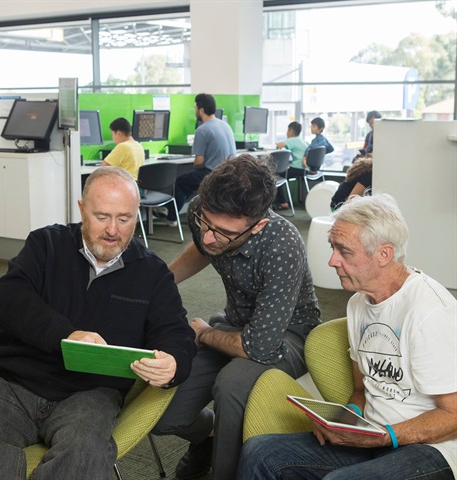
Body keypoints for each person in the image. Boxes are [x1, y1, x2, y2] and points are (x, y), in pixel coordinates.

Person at [0, 166, 197, 480]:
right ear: (82, 210)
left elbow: (175, 331)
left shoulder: (153, 273)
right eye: (102, 216)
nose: (113, 230)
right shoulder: (45, 244)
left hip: (91, 394)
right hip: (15, 384)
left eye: (125, 219)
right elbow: (11, 298)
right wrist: (67, 334)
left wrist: (174, 362)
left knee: (84, 456)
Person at [237, 193, 457, 480]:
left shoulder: (429, 312)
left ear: (384, 254)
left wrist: (382, 437)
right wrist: (343, 426)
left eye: (344, 251)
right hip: (374, 436)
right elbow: (361, 390)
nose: (332, 261)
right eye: (332, 248)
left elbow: (453, 416)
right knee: (260, 452)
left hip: (433, 449)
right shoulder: (358, 303)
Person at [152, 154, 321, 480]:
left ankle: (225, 471)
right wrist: (162, 281)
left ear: (257, 224)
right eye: (206, 224)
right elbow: (204, 248)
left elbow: (260, 347)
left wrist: (203, 334)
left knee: (231, 386)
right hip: (236, 323)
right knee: (165, 412)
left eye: (225, 232)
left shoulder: (281, 243)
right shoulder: (205, 209)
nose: (209, 236)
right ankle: (209, 439)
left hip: (290, 333)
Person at [161, 93, 236, 226]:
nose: (195, 111)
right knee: (191, 180)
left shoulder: (202, 129)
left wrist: (195, 167)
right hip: (230, 173)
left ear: (201, 110)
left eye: (195, 108)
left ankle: (172, 218)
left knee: (181, 182)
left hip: (212, 174)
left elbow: (199, 162)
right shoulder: (225, 126)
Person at [102, 117, 145, 192]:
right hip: (138, 188)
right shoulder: (138, 145)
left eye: (112, 134)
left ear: (119, 133)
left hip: (127, 189)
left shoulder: (123, 146)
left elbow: (105, 166)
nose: (113, 138)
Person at [274, 121, 308, 210]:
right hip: (303, 169)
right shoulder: (301, 140)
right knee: (279, 175)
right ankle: (282, 201)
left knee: (275, 176)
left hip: (297, 168)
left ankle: (283, 202)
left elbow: (280, 145)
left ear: (291, 131)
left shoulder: (293, 139)